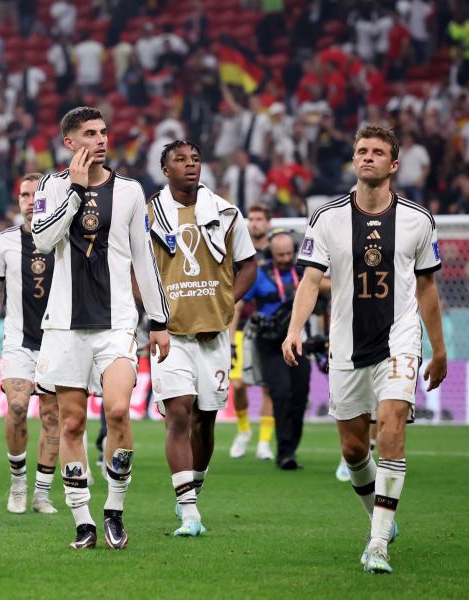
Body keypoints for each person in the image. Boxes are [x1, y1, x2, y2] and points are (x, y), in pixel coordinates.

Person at [284, 125, 447, 574]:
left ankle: (377, 543)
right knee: (354, 449)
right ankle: (380, 514)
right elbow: (311, 280)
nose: (368, 157)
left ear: (394, 164)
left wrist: (439, 349)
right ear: (353, 161)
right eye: (362, 151)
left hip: (399, 337)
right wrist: (294, 329)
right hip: (346, 343)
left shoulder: (418, 219)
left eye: (378, 152)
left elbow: (428, 287)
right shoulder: (326, 217)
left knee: (392, 427)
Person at [32, 106, 170, 550]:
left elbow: (144, 260)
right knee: (71, 423)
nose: (101, 139)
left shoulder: (130, 191)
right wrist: (73, 191)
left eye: (104, 131)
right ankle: (83, 520)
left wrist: (160, 320)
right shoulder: (50, 187)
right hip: (66, 326)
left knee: (116, 411)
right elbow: (41, 240)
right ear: (70, 143)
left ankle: (114, 509)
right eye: (90, 133)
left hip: (116, 323)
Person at [147, 140, 257, 537]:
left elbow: (248, 265)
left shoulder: (226, 213)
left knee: (205, 421)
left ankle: (194, 487)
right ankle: (188, 508)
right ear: (165, 170)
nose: (190, 165)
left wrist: (227, 299)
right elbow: (133, 269)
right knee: (179, 410)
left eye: (195, 159)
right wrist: (151, 313)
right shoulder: (150, 216)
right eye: (180, 160)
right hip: (170, 335)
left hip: (213, 334)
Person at [0, 172, 60, 515]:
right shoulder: (4, 241)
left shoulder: (64, 237)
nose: (30, 202)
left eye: (36, 195)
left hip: (58, 339)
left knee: (52, 414)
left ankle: (42, 494)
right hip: (18, 340)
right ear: (19, 201)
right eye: (25, 195)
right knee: (16, 407)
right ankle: (17, 484)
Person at [243, 230, 312, 470]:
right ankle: (284, 453)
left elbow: (325, 292)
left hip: (299, 341)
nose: (284, 258)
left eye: (289, 254)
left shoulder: (305, 272)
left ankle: (291, 448)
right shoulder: (259, 274)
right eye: (280, 254)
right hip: (270, 343)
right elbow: (239, 300)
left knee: (300, 397)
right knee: (281, 394)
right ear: (271, 253)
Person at [229, 203, 275, 460]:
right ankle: (244, 431)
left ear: (268, 223)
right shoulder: (241, 250)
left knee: (268, 387)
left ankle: (264, 443)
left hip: (269, 330)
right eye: (252, 219)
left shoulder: (278, 252)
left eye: (260, 219)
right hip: (242, 326)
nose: (255, 223)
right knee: (237, 385)